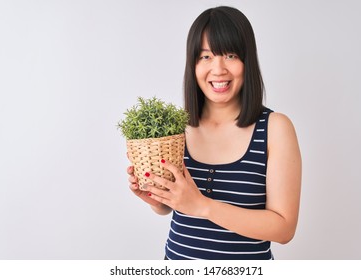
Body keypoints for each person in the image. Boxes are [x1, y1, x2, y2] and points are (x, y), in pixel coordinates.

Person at [126, 6, 301, 260]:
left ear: (247, 61)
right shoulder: (177, 129)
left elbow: (284, 228)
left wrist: (204, 207)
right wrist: (156, 198)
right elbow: (171, 207)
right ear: (193, 63)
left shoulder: (275, 128)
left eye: (230, 55)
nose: (218, 69)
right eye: (205, 57)